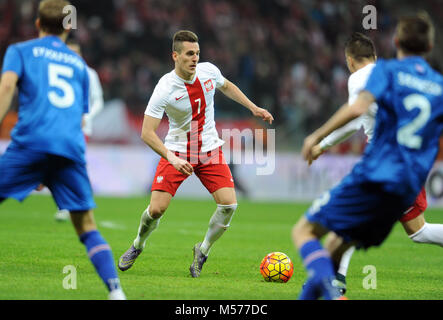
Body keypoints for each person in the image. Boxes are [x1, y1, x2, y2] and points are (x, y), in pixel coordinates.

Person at [293, 12, 443, 300]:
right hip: (411, 176)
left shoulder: (380, 73)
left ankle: (333, 288)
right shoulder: (437, 84)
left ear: (396, 41)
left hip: (380, 169)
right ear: (429, 46)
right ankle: (331, 284)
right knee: (415, 231)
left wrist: (317, 138)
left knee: (307, 231)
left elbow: (355, 113)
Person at [118, 30, 273, 277]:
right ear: (175, 56)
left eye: (197, 53)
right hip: (178, 150)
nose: (195, 59)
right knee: (157, 209)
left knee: (229, 204)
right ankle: (138, 245)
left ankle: (202, 251)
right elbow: (147, 133)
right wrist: (172, 158)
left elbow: (228, 86)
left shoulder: (208, 71)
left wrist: (254, 108)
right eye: (190, 54)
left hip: (209, 149)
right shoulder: (165, 88)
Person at [0, 0, 125, 300]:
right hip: (68, 148)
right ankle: (116, 292)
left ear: (38, 24)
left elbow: (6, 89)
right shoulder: (79, 66)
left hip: (32, 142)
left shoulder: (20, 51)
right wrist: (53, 168)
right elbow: (78, 118)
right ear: (69, 27)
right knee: (86, 226)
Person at [54, 39, 105, 222]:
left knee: (72, 163)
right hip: (60, 126)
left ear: (81, 54)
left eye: (75, 53)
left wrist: (87, 116)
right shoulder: (60, 72)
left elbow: (98, 100)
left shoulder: (89, 74)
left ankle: (71, 205)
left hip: (81, 128)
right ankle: (68, 204)